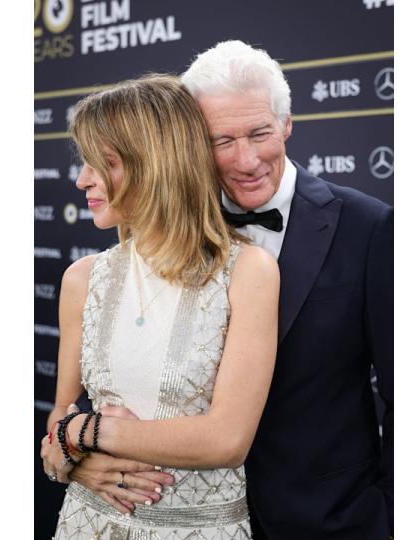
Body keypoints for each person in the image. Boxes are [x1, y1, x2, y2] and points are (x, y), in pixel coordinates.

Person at [64, 41, 394, 539]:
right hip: (164, 506)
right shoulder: (163, 237)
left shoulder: (368, 227)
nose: (245, 160)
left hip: (325, 520)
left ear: (286, 124)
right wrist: (75, 459)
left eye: (260, 133)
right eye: (221, 140)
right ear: (191, 143)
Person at [40, 74, 280, 539]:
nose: (81, 179)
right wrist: (71, 460)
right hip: (85, 523)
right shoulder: (82, 279)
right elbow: (58, 418)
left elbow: (227, 440)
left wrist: (83, 434)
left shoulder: (248, 271)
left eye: (100, 163)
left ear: (154, 164)